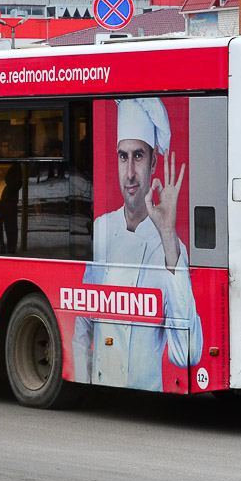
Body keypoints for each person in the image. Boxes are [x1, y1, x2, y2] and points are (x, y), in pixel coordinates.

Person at [72, 98, 202, 391]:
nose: (129, 173)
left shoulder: (171, 248)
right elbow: (83, 324)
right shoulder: (102, 228)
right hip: (101, 388)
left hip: (144, 394)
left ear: (154, 162)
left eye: (139, 157)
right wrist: (83, 382)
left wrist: (168, 236)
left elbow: (188, 354)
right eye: (123, 156)